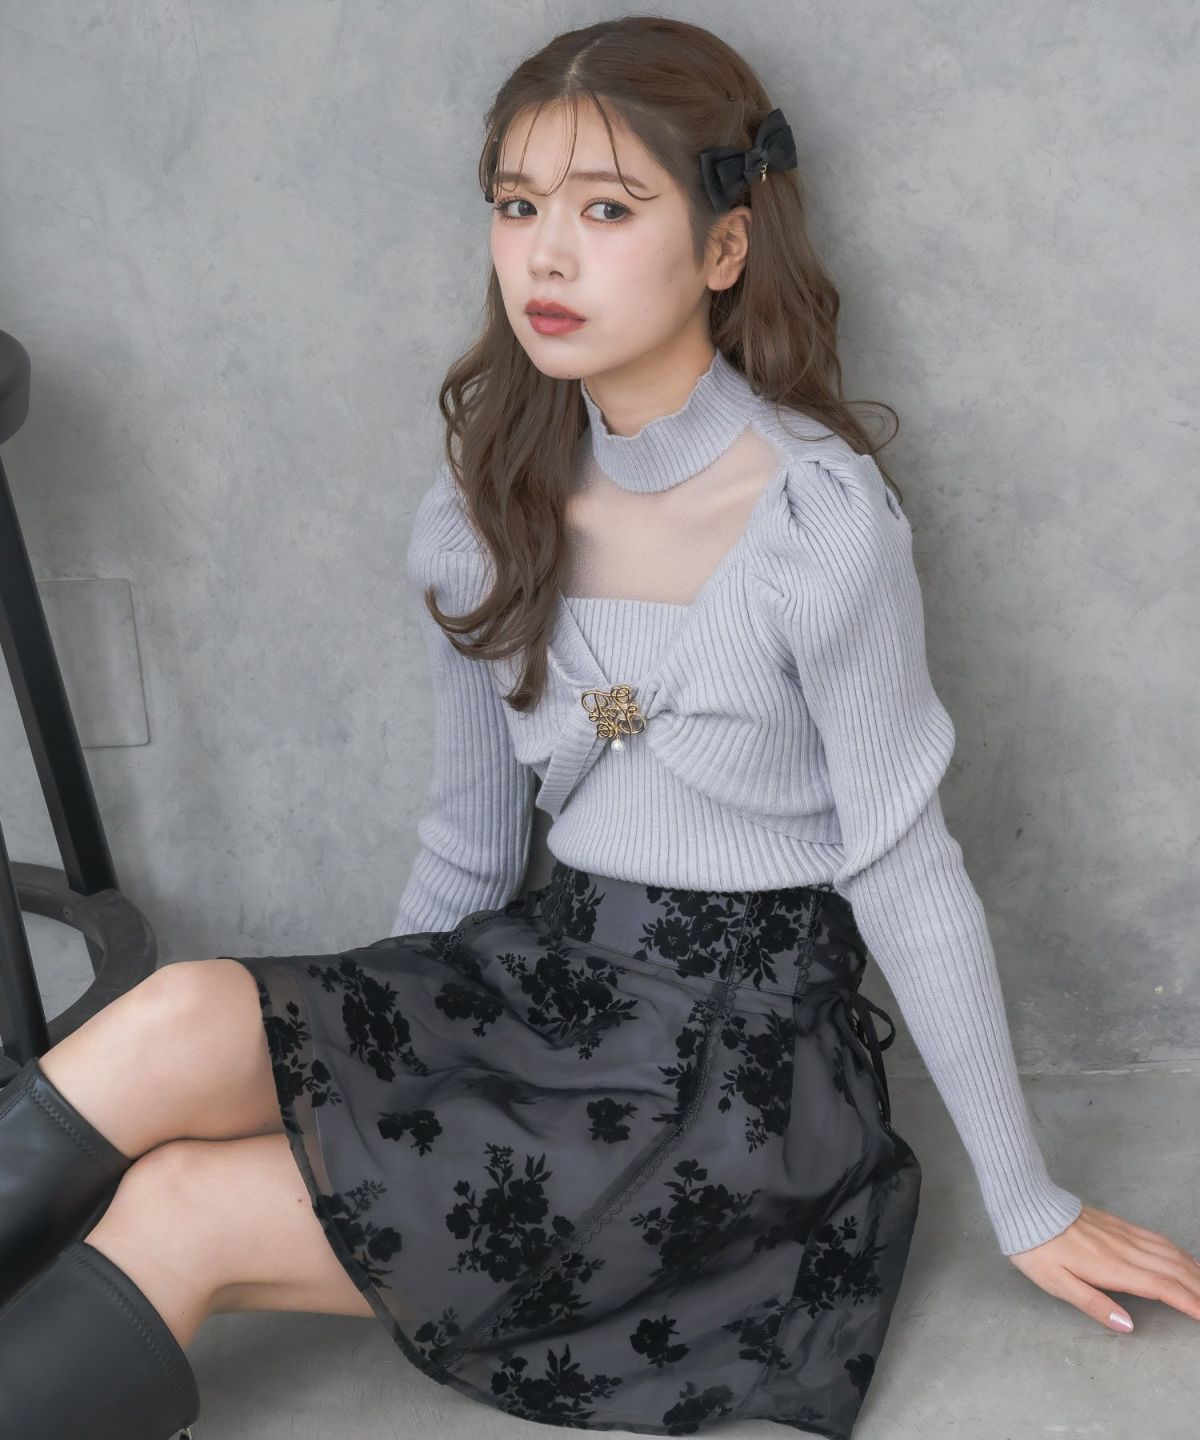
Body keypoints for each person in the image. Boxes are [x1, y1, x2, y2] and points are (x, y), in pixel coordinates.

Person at [1, 15, 1197, 1440]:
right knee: (181, 1013)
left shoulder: (818, 524)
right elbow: (468, 846)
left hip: (733, 1072)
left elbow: (904, 863)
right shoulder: (485, 506)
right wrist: (366, 1075)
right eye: (517, 207)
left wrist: (1028, 1197)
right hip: (547, 981)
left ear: (724, 246)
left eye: (608, 210)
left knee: (182, 1204)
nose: (546, 259)